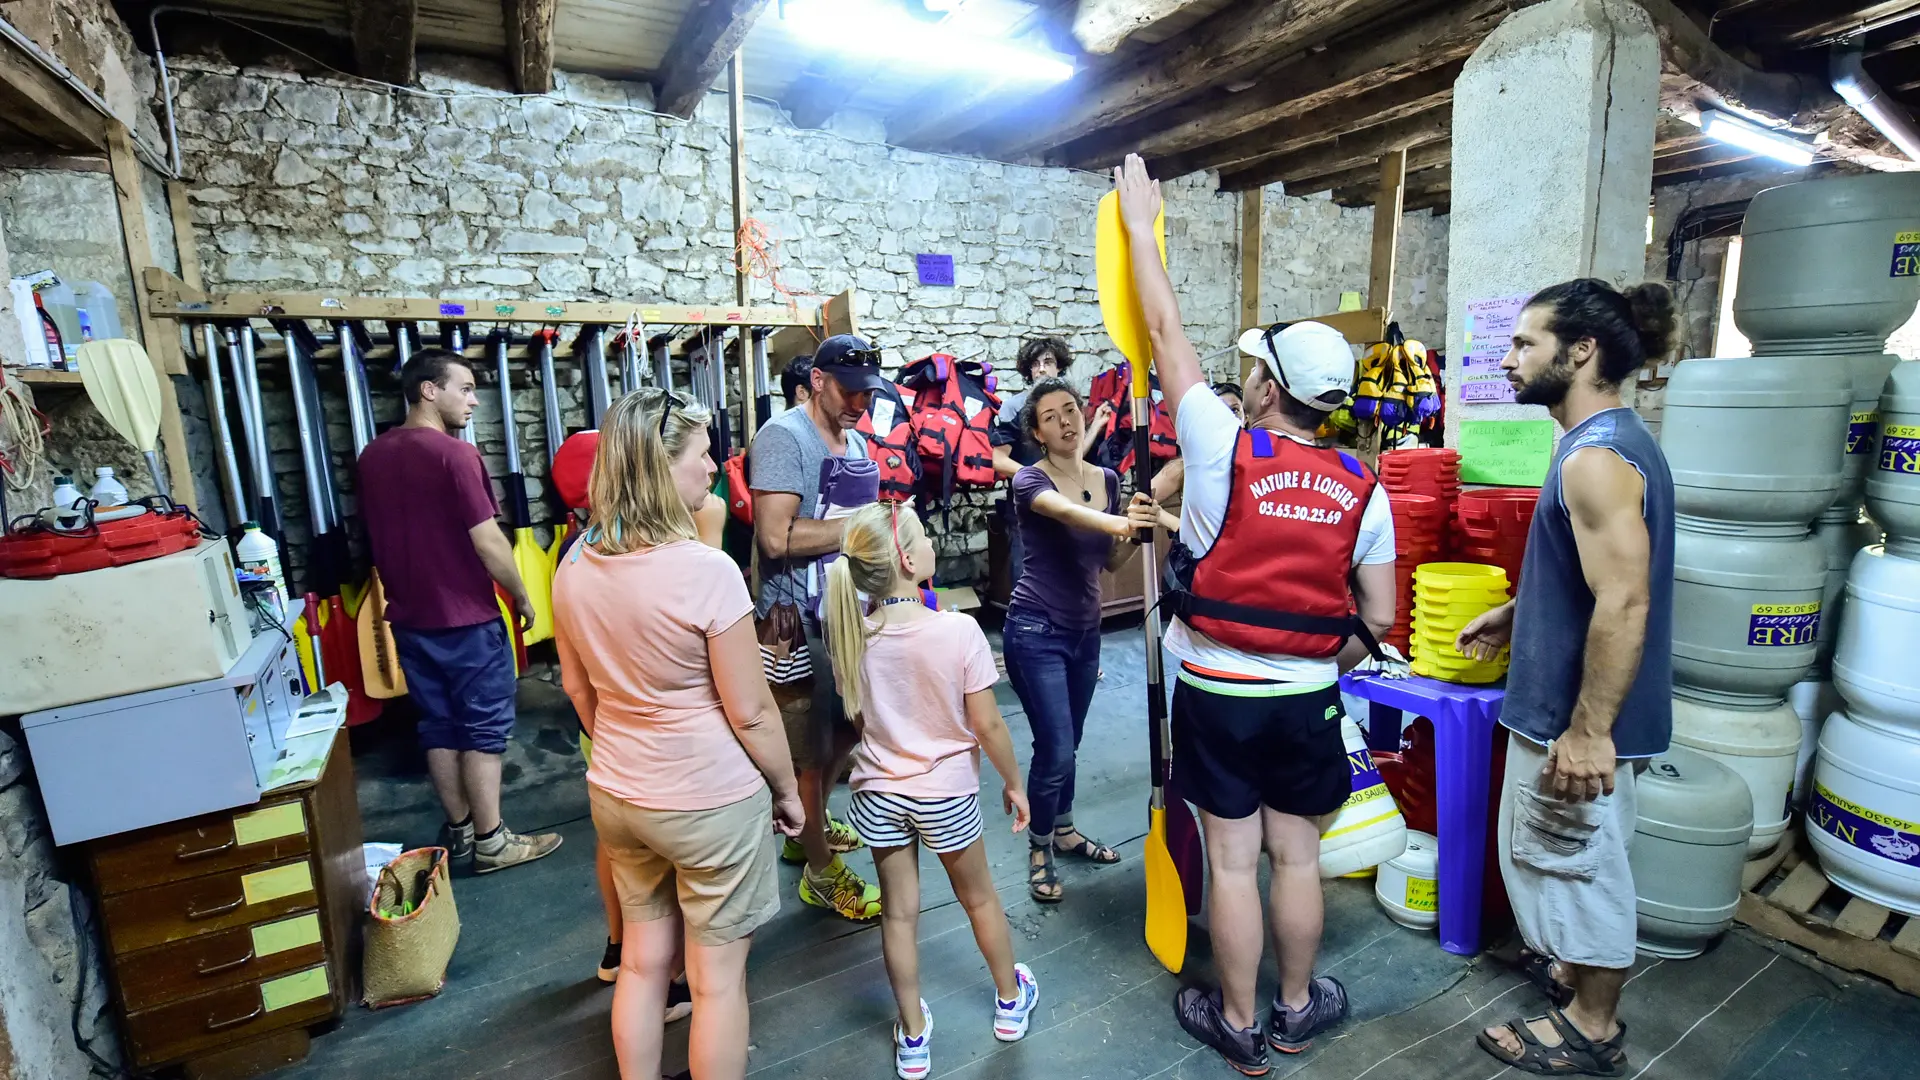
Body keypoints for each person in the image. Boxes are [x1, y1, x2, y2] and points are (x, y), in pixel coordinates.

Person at [1117, 154, 1397, 1074]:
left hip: (1212, 689)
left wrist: (1137, 228)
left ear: (1269, 389)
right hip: (1308, 700)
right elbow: (1381, 620)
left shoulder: (1217, 441)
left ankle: (1237, 1025)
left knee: (1233, 862)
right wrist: (1315, 668)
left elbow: (1161, 325)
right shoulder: (1369, 486)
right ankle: (1294, 1007)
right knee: (1298, 858)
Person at [552, 388, 805, 1080]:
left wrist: (628, 753)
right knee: (718, 982)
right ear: (663, 469)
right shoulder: (706, 570)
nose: (715, 468)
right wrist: (786, 790)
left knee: (641, 960)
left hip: (619, 792)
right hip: (708, 801)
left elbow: (577, 690)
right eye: (701, 455)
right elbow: (751, 711)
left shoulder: (573, 562)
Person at [1458, 279, 1676, 1077]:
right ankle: (1577, 980)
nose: (1509, 359)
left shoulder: (1593, 460)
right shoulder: (1608, 441)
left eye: (1525, 344)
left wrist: (1587, 733)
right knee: (1573, 858)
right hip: (1579, 707)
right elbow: (1595, 576)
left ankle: (1592, 1024)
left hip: (1577, 719)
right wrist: (1519, 611)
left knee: (1577, 866)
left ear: (1580, 352)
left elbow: (1624, 599)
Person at [821, 502, 1041, 1079]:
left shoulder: (851, 634)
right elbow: (988, 726)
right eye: (918, 536)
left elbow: (861, 720)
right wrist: (1015, 783)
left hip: (878, 797)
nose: (928, 542)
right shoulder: (957, 630)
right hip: (945, 796)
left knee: (898, 916)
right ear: (904, 558)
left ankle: (913, 1037)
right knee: (979, 900)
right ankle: (1009, 1003)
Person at [358, 347, 562, 875]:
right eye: (465, 388)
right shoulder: (455, 455)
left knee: (439, 726)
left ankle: (462, 831)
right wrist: (521, 594)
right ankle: (493, 841)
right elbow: (488, 542)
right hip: (466, 620)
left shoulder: (373, 456)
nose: (472, 400)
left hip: (409, 618)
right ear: (430, 390)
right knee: (484, 729)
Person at [1003, 377, 1157, 903]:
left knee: (1071, 743)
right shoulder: (1028, 481)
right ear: (1037, 433)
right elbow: (1067, 513)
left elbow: (1109, 559)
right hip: (1034, 629)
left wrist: (1134, 535)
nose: (1066, 421)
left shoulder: (1108, 479)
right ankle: (1039, 847)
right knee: (1056, 746)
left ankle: (1063, 829)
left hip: (1085, 632)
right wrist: (1122, 520)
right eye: (1051, 417)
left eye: (1071, 409)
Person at [750, 333, 887, 921]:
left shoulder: (852, 438)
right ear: (817, 382)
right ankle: (818, 872)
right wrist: (863, 525)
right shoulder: (785, 439)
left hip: (842, 613)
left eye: (868, 394)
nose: (861, 404)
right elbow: (775, 538)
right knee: (812, 750)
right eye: (850, 392)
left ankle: (802, 825)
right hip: (796, 619)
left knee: (850, 732)